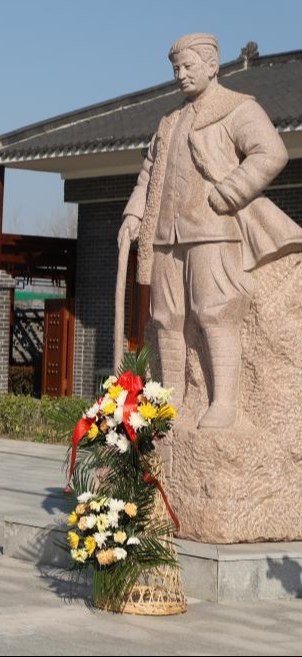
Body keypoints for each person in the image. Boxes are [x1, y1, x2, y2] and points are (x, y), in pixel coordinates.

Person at [119, 33, 302, 429]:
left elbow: (271, 152)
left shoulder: (237, 108)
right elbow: (148, 174)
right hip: (166, 235)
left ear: (212, 66)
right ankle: (170, 400)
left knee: (216, 312)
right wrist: (134, 215)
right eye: (176, 69)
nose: (181, 75)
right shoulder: (168, 122)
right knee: (166, 317)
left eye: (188, 67)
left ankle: (224, 402)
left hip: (213, 231)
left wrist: (232, 190)